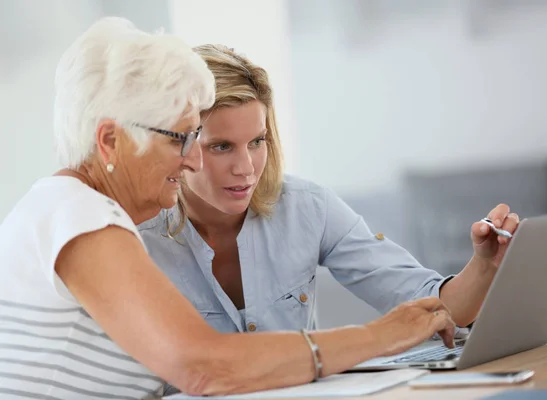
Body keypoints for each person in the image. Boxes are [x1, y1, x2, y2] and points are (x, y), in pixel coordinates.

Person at [0, 18, 457, 399]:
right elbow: (203, 366)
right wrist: (378, 336)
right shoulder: (81, 217)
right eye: (179, 138)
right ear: (110, 140)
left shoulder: (70, 208)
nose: (193, 158)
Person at [138, 44, 520, 337]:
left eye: (257, 141)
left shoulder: (307, 207)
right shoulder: (135, 238)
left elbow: (437, 306)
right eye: (222, 146)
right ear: (179, 142)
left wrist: (483, 266)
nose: (246, 167)